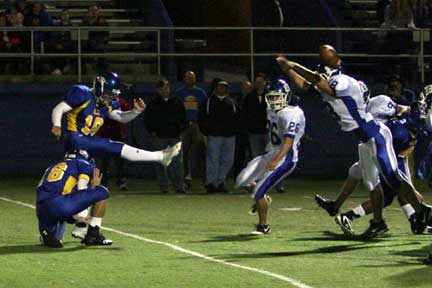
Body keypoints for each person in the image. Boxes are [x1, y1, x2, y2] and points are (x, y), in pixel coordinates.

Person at [277, 44, 430, 238]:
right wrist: (288, 69)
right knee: (379, 183)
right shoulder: (330, 82)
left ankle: (422, 211)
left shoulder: (343, 82)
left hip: (376, 136)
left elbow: (317, 81)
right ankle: (382, 221)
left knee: (394, 180)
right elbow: (306, 85)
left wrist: (294, 64)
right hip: (366, 140)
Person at [316, 90, 432, 235]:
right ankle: (419, 216)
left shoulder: (383, 105)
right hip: (382, 148)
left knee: (363, 175)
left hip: (379, 146)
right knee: (395, 187)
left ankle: (340, 209)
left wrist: (411, 110)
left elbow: (401, 109)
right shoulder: (397, 128)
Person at [51, 72, 181, 166]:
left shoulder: (107, 104)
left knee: (85, 175)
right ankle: (160, 156)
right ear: (99, 87)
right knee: (113, 146)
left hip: (86, 143)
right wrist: (57, 125)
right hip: (74, 138)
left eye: (113, 95)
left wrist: (135, 112)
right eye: (108, 93)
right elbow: (59, 109)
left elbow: (121, 117)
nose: (110, 98)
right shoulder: (82, 93)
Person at [235, 79, 305, 235]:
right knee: (242, 179)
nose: (274, 101)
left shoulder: (291, 113)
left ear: (286, 96)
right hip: (271, 152)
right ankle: (264, 198)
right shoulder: (271, 109)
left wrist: (275, 160)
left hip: (285, 157)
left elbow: (288, 140)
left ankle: (263, 225)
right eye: (271, 97)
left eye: (277, 97)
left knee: (258, 191)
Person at [36, 150, 112, 248]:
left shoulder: (53, 166)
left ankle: (48, 233)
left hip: (41, 209)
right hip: (61, 205)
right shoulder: (82, 164)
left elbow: (39, 187)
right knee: (102, 192)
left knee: (55, 240)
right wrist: (92, 188)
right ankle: (92, 234)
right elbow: (82, 188)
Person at [145, 78, 187, 193]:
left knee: (177, 163)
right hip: (159, 137)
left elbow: (183, 118)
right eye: (163, 88)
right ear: (158, 90)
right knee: (160, 163)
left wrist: (180, 130)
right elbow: (148, 120)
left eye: (167, 88)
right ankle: (164, 187)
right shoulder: (153, 104)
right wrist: (153, 132)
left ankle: (179, 186)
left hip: (175, 137)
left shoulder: (176, 102)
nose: (166, 91)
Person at [199, 80, 238, 193]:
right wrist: (206, 131)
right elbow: (202, 117)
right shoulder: (209, 101)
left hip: (229, 136)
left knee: (227, 160)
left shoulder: (231, 101)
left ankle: (220, 182)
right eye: (220, 86)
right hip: (214, 135)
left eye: (224, 86)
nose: (222, 88)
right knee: (213, 160)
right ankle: (211, 183)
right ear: (215, 88)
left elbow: (238, 117)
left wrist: (234, 130)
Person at [175, 71, 207, 189]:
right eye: (187, 77)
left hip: (197, 125)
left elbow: (204, 110)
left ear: (195, 79)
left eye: (191, 77)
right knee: (183, 152)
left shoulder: (200, 93)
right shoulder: (179, 93)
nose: (189, 79)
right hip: (184, 126)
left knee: (201, 151)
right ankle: (186, 177)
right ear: (184, 79)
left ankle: (204, 177)